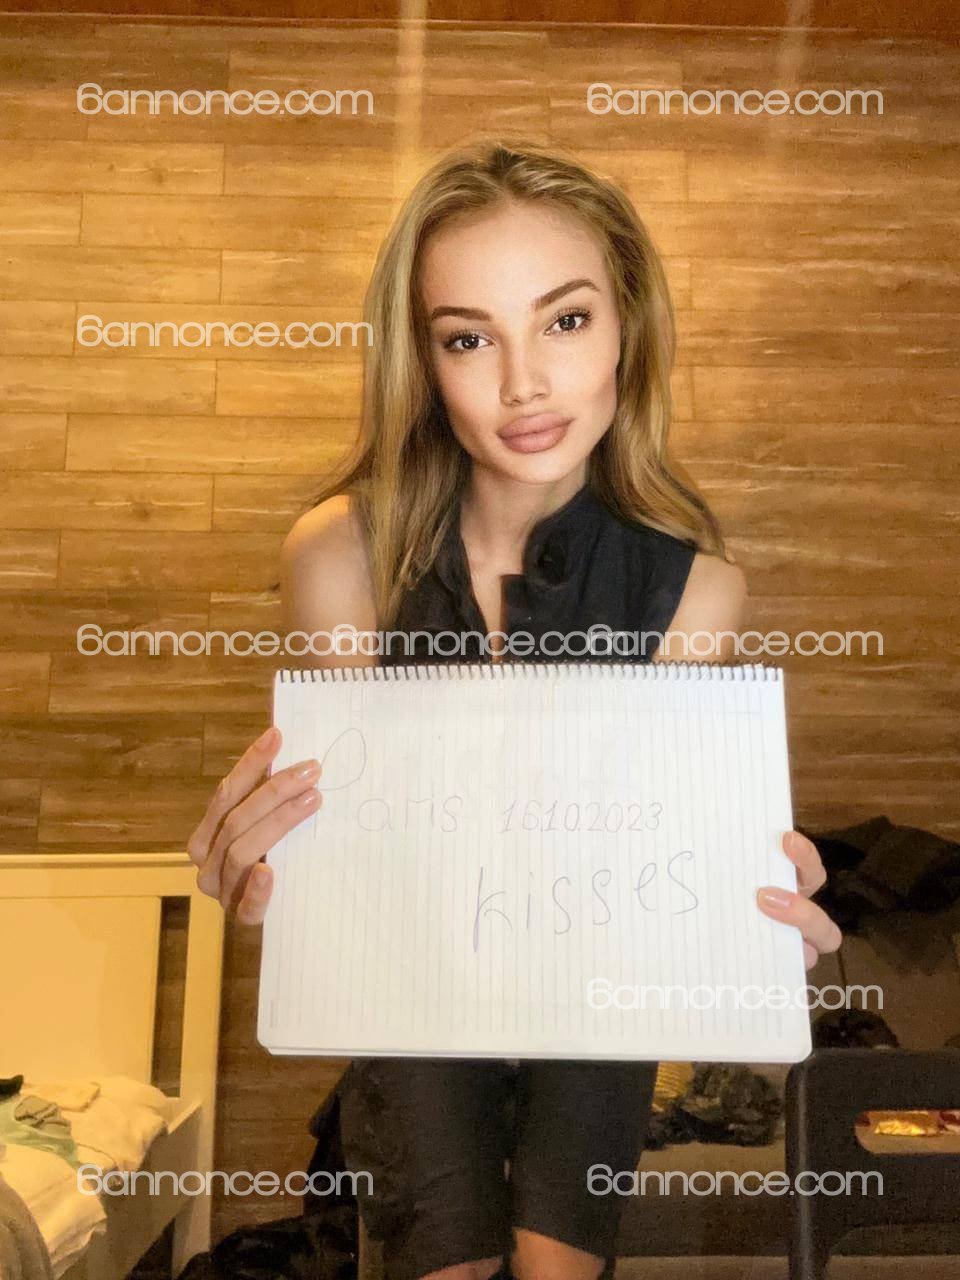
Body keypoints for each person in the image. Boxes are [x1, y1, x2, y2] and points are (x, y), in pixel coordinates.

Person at [187, 138, 843, 1280]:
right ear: (423, 359)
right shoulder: (340, 555)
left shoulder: (698, 591)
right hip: (408, 1001)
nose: (524, 384)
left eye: (565, 321)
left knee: (555, 1258)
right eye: (469, 338)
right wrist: (270, 876)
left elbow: (631, 897)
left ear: (628, 325)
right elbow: (359, 883)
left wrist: (751, 927)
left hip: (593, 1012)